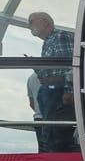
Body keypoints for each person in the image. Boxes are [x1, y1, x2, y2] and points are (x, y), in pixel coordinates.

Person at [28, 11, 76, 152]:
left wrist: (69, 91)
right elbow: (53, 72)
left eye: (32, 21)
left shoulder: (60, 36)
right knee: (50, 132)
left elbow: (69, 66)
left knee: (56, 133)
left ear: (45, 22)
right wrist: (39, 70)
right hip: (50, 90)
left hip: (57, 91)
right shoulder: (48, 42)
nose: (29, 25)